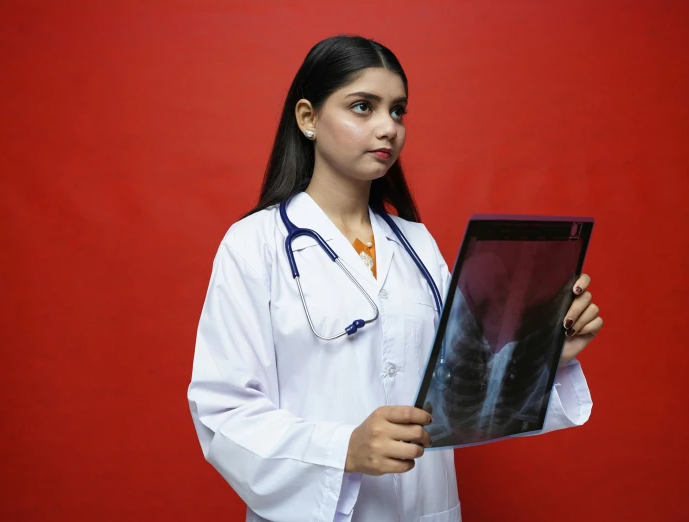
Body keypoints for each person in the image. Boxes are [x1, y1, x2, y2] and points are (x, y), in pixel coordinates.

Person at [187, 34, 604, 522]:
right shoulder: (254, 244)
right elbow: (223, 411)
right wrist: (345, 448)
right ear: (308, 119)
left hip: (428, 507)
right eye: (363, 107)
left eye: (398, 110)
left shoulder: (417, 243)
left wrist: (546, 355)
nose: (388, 127)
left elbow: (462, 387)